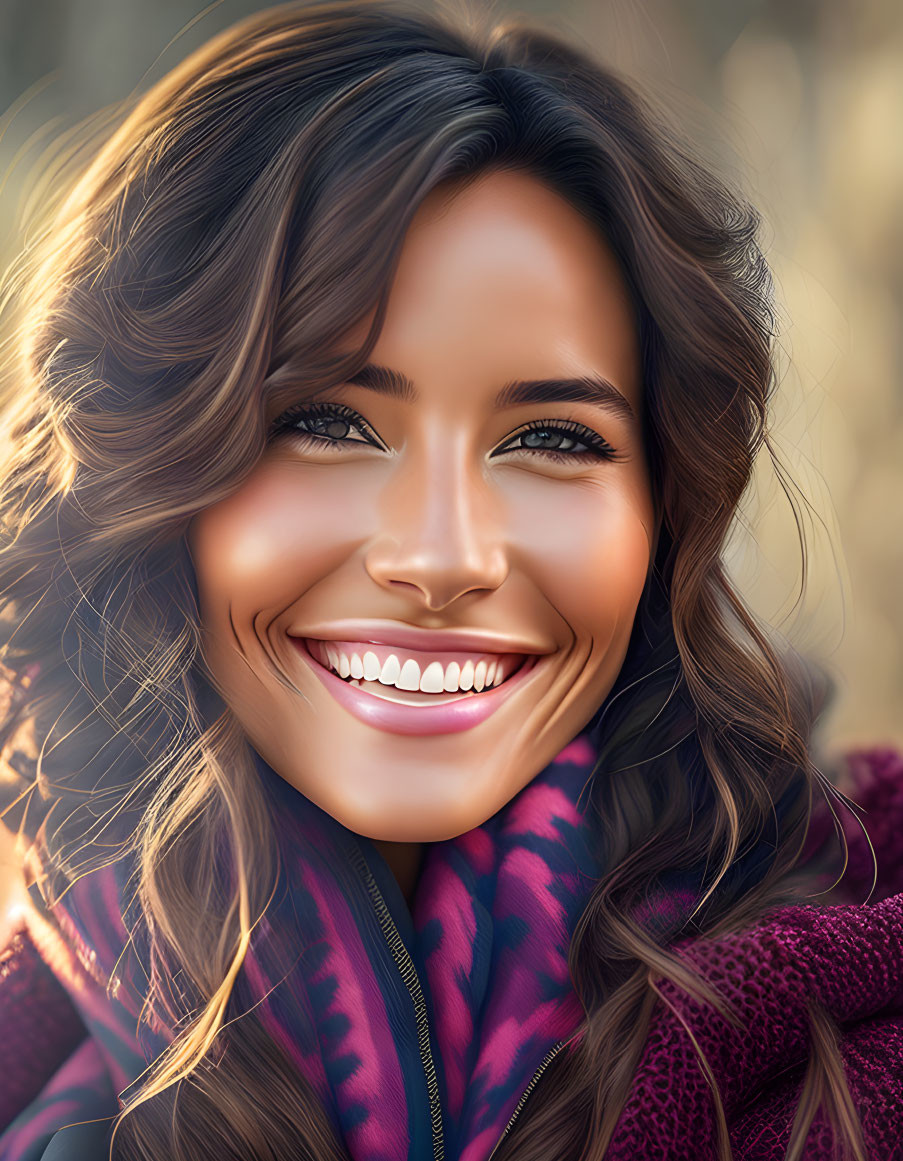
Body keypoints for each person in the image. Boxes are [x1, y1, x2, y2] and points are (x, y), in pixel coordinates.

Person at [0, 2, 900, 1159]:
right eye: (325, 422)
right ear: (147, 474)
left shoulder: (859, 1046)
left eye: (555, 440)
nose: (441, 556)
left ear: (666, 520)